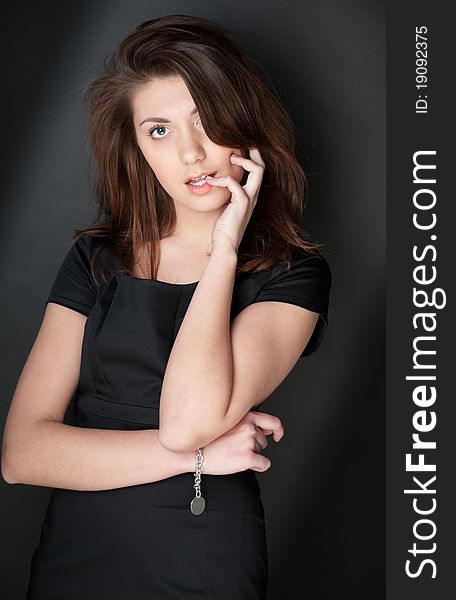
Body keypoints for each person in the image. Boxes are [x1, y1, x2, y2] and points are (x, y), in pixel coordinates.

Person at [2, 14, 331, 600]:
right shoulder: (96, 259)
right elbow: (23, 455)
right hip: (76, 549)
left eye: (206, 122)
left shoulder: (292, 274)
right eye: (159, 130)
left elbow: (185, 421)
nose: (191, 153)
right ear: (138, 149)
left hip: (199, 549)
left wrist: (224, 250)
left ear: (244, 124)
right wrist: (201, 455)